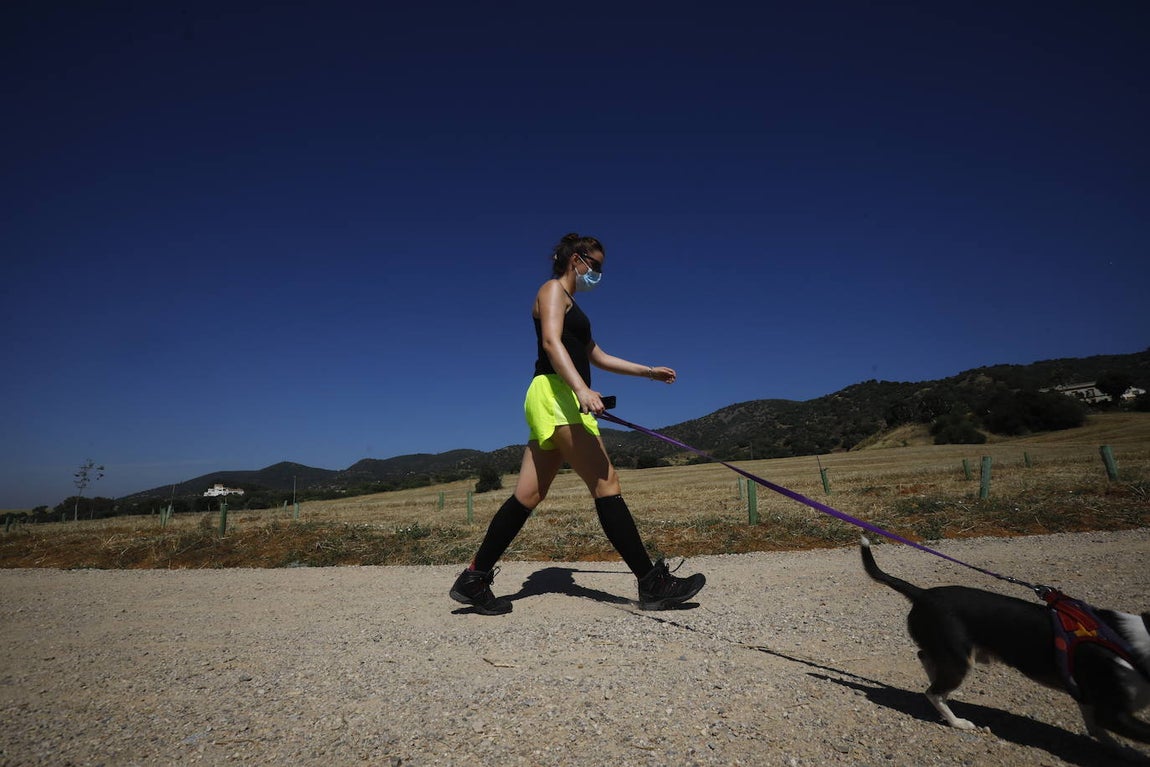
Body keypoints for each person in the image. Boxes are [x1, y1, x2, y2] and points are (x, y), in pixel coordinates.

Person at [449, 232, 706, 615]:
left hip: (556, 394)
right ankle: (652, 583)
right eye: (596, 265)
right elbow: (552, 344)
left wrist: (648, 372)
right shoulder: (552, 290)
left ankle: (473, 579)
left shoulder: (572, 304)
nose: (598, 273)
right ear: (577, 260)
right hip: (556, 394)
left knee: (528, 496)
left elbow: (597, 355)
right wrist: (583, 390)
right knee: (606, 484)